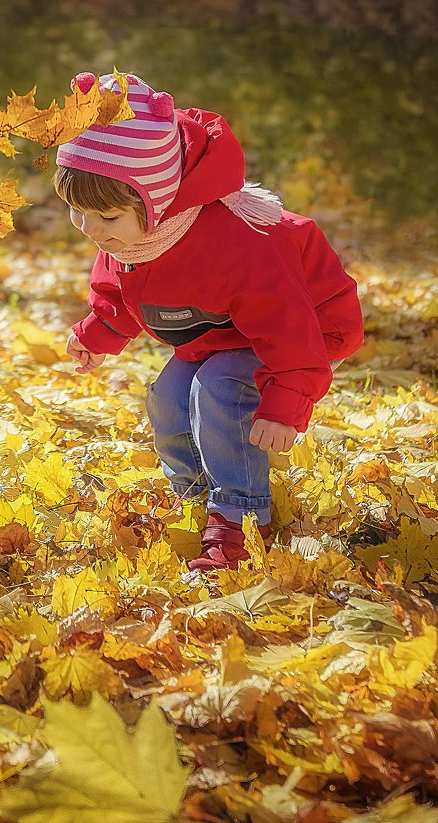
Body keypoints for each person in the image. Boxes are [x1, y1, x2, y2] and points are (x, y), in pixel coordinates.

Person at [54, 71, 364, 572]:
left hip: (304, 328)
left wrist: (287, 401)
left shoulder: (238, 246)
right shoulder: (136, 235)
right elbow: (120, 291)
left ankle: (241, 516)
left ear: (157, 200)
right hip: (223, 328)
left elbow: (287, 325)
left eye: (106, 217)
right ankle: (198, 496)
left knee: (218, 389)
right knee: (168, 397)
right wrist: (97, 333)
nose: (90, 230)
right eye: (77, 211)